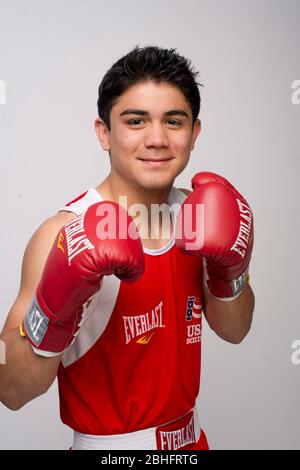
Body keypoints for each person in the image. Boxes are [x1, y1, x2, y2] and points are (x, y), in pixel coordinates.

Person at [0, 46, 255, 450]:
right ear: (104, 132)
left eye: (174, 121)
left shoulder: (201, 216)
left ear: (195, 133)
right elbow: (10, 391)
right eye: (136, 121)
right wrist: (53, 310)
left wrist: (232, 271)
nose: (156, 139)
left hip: (193, 442)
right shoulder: (63, 233)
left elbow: (235, 330)